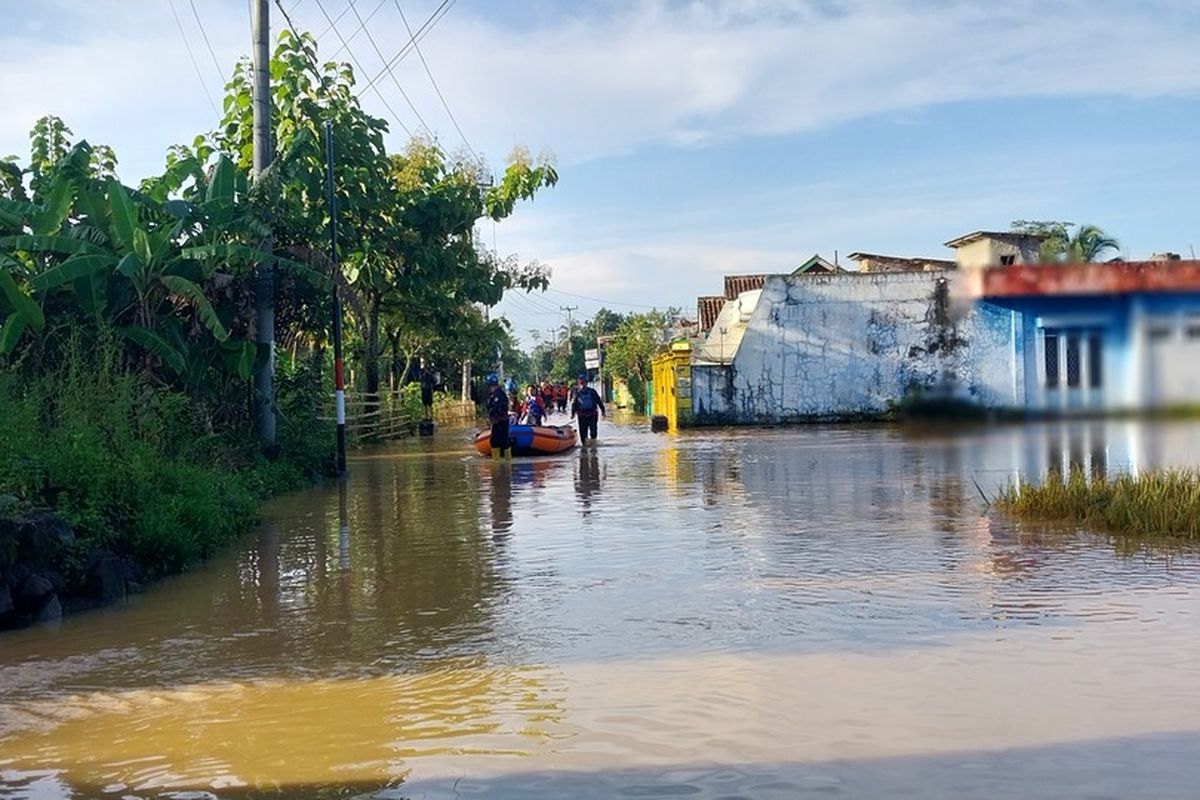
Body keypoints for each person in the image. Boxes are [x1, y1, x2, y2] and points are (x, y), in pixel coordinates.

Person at [570, 372, 606, 444]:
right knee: (583, 434)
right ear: (579, 383)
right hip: (582, 415)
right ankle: (584, 449)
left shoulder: (592, 392)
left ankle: (593, 447)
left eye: (584, 382)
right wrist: (573, 413)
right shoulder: (577, 393)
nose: (583, 384)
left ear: (586, 383)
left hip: (592, 414)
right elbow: (574, 404)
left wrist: (603, 411)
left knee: (593, 431)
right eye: (581, 382)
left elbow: (599, 401)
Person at [484, 373, 511, 459]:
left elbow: (496, 408)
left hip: (500, 421)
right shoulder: (496, 394)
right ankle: (502, 463)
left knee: (498, 442)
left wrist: (490, 416)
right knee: (499, 442)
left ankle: (500, 464)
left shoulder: (498, 395)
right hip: (499, 421)